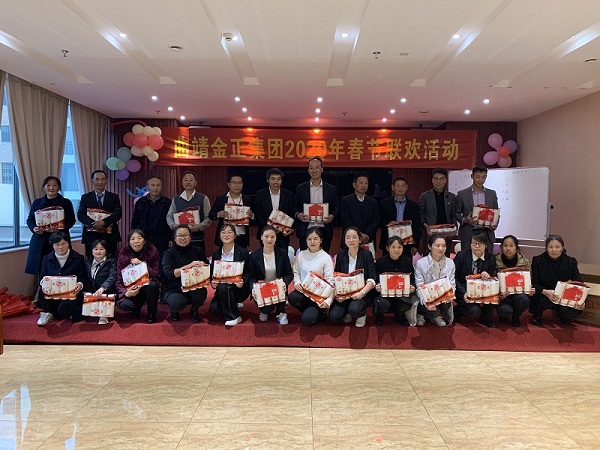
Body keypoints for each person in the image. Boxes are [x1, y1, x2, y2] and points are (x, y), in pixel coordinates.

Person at [25, 176, 76, 276]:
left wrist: (59, 228)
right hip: (41, 240)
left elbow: (71, 220)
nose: (51, 188)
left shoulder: (66, 202)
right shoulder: (37, 203)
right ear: (43, 188)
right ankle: (41, 285)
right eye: (48, 185)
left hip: (59, 238)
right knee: (41, 268)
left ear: (59, 188)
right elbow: (30, 220)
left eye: (54, 185)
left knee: (61, 266)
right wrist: (34, 228)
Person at [530, 235, 583, 326]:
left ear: (562, 248)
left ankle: (561, 312)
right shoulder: (538, 260)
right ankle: (537, 314)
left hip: (564, 294)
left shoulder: (571, 261)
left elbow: (579, 282)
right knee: (539, 299)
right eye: (551, 247)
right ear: (546, 248)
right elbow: (534, 283)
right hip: (544, 293)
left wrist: (581, 301)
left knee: (571, 312)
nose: (554, 250)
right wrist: (545, 292)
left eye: (557, 247)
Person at [36, 231, 87, 326]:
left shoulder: (78, 258)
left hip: (71, 293)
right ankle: (47, 313)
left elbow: (82, 277)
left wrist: (80, 284)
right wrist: (44, 283)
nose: (60, 247)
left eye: (63, 244)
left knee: (63, 310)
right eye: (57, 244)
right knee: (42, 291)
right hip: (52, 292)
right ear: (52, 245)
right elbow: (42, 278)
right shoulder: (46, 259)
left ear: (68, 243)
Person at [330, 227, 376, 327]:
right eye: (348, 237)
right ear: (344, 240)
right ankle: (347, 311)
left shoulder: (367, 254)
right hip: (345, 293)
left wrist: (362, 293)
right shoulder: (341, 255)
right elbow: (337, 276)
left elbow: (372, 278)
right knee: (334, 317)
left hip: (361, 292)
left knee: (355, 309)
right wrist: (338, 295)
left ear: (360, 240)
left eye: (354, 237)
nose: (351, 240)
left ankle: (361, 314)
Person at [162, 225, 210, 323]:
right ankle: (174, 312)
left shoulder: (198, 250)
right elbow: (170, 274)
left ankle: (194, 310)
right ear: (174, 238)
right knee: (177, 302)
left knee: (202, 292)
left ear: (190, 237)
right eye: (179, 235)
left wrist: (203, 265)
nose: (183, 238)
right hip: (173, 288)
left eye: (185, 235)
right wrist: (189, 266)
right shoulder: (169, 253)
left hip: (193, 286)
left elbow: (208, 268)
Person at [288, 227, 335, 326]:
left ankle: (318, 312)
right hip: (304, 292)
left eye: (315, 239)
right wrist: (297, 282)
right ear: (306, 241)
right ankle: (310, 311)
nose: (312, 242)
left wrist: (328, 300)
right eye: (309, 239)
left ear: (321, 240)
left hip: (318, 296)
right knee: (293, 297)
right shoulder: (301, 255)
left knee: (307, 321)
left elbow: (330, 280)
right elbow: (296, 272)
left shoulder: (326, 258)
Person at [248, 225, 294, 324]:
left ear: (276, 238)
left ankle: (281, 312)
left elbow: (289, 274)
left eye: (272, 237)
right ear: (261, 237)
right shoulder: (254, 255)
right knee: (266, 310)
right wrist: (253, 289)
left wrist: (283, 283)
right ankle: (265, 311)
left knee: (280, 290)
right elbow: (251, 277)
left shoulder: (282, 253)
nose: (269, 239)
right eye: (266, 236)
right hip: (262, 289)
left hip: (278, 288)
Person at [294, 157, 339, 253]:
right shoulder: (301, 188)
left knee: (323, 258)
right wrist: (298, 215)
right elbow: (294, 206)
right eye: (311, 168)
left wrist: (332, 216)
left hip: (324, 230)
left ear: (322, 169)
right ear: (308, 170)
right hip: (306, 229)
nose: (314, 171)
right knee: (305, 258)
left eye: (317, 167)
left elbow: (337, 207)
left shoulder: (331, 189)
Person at [209, 224, 251, 326]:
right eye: (223, 233)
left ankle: (234, 316)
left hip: (239, 289)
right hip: (222, 290)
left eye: (229, 232)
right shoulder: (216, 254)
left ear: (235, 235)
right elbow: (212, 273)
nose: (226, 235)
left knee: (223, 286)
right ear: (219, 235)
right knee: (214, 309)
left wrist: (243, 281)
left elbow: (249, 272)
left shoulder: (243, 252)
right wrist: (212, 283)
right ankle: (232, 304)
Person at [116, 229, 160, 324]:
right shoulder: (124, 254)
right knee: (125, 305)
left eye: (139, 238)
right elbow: (119, 279)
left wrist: (142, 264)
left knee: (152, 285)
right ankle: (136, 308)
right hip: (132, 288)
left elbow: (156, 273)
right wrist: (125, 293)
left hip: (147, 286)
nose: (136, 241)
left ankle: (151, 313)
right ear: (129, 242)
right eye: (133, 239)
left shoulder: (152, 251)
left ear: (144, 240)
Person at [454, 232, 497, 328]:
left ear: (486, 245)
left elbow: (494, 280)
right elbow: (454, 278)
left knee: (492, 295)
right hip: (464, 290)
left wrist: (489, 277)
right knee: (474, 311)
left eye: (480, 244)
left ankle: (485, 319)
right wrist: (464, 292)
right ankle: (458, 311)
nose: (477, 246)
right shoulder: (461, 256)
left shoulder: (491, 258)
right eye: (474, 243)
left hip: (482, 290)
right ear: (470, 244)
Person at [77, 170, 122, 258]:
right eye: (97, 179)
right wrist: (93, 224)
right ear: (92, 181)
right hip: (91, 236)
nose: (100, 182)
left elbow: (118, 213)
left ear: (106, 181)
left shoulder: (114, 197)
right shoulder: (85, 197)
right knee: (91, 260)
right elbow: (81, 214)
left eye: (103, 179)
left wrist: (103, 222)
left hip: (110, 236)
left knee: (111, 260)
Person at [373, 236, 417, 326]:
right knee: (382, 303)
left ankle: (399, 316)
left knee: (405, 303)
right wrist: (377, 285)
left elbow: (412, 278)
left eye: (399, 247)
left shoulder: (407, 261)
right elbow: (375, 278)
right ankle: (379, 316)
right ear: (387, 248)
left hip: (401, 294)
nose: (396, 250)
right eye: (393, 247)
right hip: (384, 295)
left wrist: (412, 286)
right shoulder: (381, 262)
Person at [455, 166, 499, 253]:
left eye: (483, 177)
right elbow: (456, 213)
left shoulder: (492, 194)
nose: (481, 180)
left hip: (487, 233)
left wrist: (495, 224)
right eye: (478, 177)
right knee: (467, 259)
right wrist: (465, 220)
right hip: (468, 233)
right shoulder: (462, 194)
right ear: (472, 176)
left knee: (487, 259)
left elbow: (496, 212)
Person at [414, 235, 456, 327]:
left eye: (443, 246)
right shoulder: (421, 263)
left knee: (446, 305)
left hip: (442, 297)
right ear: (430, 246)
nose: (441, 248)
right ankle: (421, 314)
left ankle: (436, 316)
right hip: (426, 297)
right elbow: (419, 286)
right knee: (432, 310)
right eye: (437, 245)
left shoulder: (450, 263)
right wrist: (427, 302)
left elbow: (452, 283)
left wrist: (449, 295)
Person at [166, 171, 212, 253]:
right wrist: (173, 225)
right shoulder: (176, 199)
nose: (188, 182)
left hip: (197, 238)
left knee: (198, 259)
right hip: (180, 239)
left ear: (195, 183)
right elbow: (169, 216)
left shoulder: (203, 198)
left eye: (191, 180)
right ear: (182, 183)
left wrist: (199, 226)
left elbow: (209, 217)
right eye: (186, 180)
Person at [131, 176, 172, 262]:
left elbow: (171, 222)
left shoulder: (168, 203)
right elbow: (135, 221)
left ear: (161, 186)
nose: (155, 188)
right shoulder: (140, 202)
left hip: (162, 239)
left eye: (158, 185)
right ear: (147, 186)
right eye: (152, 185)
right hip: (144, 238)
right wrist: (133, 237)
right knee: (143, 263)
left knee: (161, 263)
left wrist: (171, 238)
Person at [379, 176, 422, 258]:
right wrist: (388, 224)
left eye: (403, 186)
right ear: (393, 187)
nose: (400, 188)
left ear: (406, 188)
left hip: (407, 243)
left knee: (405, 264)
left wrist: (415, 245)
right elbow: (379, 221)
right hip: (388, 241)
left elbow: (417, 226)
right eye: (398, 186)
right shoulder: (384, 203)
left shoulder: (413, 205)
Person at [253, 168, 295, 250]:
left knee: (282, 257)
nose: (276, 182)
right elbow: (258, 214)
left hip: (282, 236)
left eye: (278, 179)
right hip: (265, 234)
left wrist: (290, 228)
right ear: (267, 180)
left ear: (281, 181)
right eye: (273, 179)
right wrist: (269, 228)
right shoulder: (260, 194)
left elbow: (291, 213)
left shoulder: (288, 195)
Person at [495, 235, 533, 327]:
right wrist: (500, 294)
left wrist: (530, 289)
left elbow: (529, 280)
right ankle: (503, 315)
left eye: (511, 245)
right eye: (505, 245)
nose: (508, 248)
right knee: (504, 311)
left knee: (524, 300)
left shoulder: (525, 262)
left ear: (516, 248)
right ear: (501, 247)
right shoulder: (494, 261)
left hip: (518, 294)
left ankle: (516, 316)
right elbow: (492, 281)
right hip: (502, 296)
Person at [417, 168, 456, 255]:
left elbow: (453, 215)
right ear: (432, 180)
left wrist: (454, 230)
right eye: (436, 178)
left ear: (445, 180)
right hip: (430, 234)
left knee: (445, 259)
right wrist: (425, 225)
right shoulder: (425, 196)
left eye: (441, 179)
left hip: (446, 235)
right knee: (429, 259)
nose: (438, 181)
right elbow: (420, 214)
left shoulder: (451, 197)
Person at [209, 174, 253, 248]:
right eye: (234, 182)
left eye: (239, 183)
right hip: (225, 236)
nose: (237, 185)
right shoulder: (221, 199)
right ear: (228, 184)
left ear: (242, 184)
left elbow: (255, 218)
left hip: (241, 237)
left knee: (242, 255)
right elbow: (211, 215)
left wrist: (252, 216)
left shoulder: (247, 199)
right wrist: (218, 214)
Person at [340, 173, 380, 248]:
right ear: (354, 185)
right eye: (361, 183)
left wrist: (366, 234)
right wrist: (358, 234)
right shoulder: (346, 200)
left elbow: (376, 220)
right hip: (350, 238)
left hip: (368, 239)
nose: (363, 185)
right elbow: (345, 219)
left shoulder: (373, 202)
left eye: (366, 183)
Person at [85, 239, 118, 325]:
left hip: (106, 291)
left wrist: (102, 288)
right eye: (96, 249)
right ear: (92, 251)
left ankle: (104, 315)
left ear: (106, 251)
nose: (98, 251)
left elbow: (112, 277)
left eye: (101, 249)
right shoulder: (87, 263)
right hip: (91, 291)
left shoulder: (112, 262)